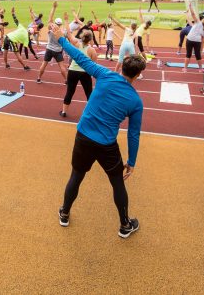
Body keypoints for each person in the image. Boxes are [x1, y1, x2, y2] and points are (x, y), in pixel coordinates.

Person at [49, 23, 146, 239]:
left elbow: (80, 58)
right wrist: (132, 161)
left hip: (83, 136)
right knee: (117, 183)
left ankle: (64, 213)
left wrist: (62, 39)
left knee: (76, 175)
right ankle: (124, 225)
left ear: (123, 66)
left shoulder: (104, 74)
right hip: (106, 145)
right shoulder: (136, 102)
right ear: (138, 75)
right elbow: (133, 134)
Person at [60, 13, 98, 118]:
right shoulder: (92, 50)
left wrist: (67, 20)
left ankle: (63, 112)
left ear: (81, 36)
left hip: (72, 71)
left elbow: (68, 33)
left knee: (70, 92)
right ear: (90, 39)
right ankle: (92, 114)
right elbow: (94, 65)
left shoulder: (76, 44)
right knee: (89, 93)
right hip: (85, 73)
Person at [36, 1, 67, 83]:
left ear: (55, 23)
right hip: (58, 51)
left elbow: (50, 19)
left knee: (44, 64)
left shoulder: (51, 28)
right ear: (61, 24)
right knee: (61, 66)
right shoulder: (62, 31)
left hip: (49, 49)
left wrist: (54, 7)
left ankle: (39, 78)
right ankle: (66, 80)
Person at [183, 3, 204, 72]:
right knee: (198, 55)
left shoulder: (198, 22)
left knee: (188, 54)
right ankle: (200, 68)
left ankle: (185, 68)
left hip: (190, 39)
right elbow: (203, 41)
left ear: (202, 21)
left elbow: (193, 14)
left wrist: (190, 7)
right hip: (197, 42)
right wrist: (201, 50)